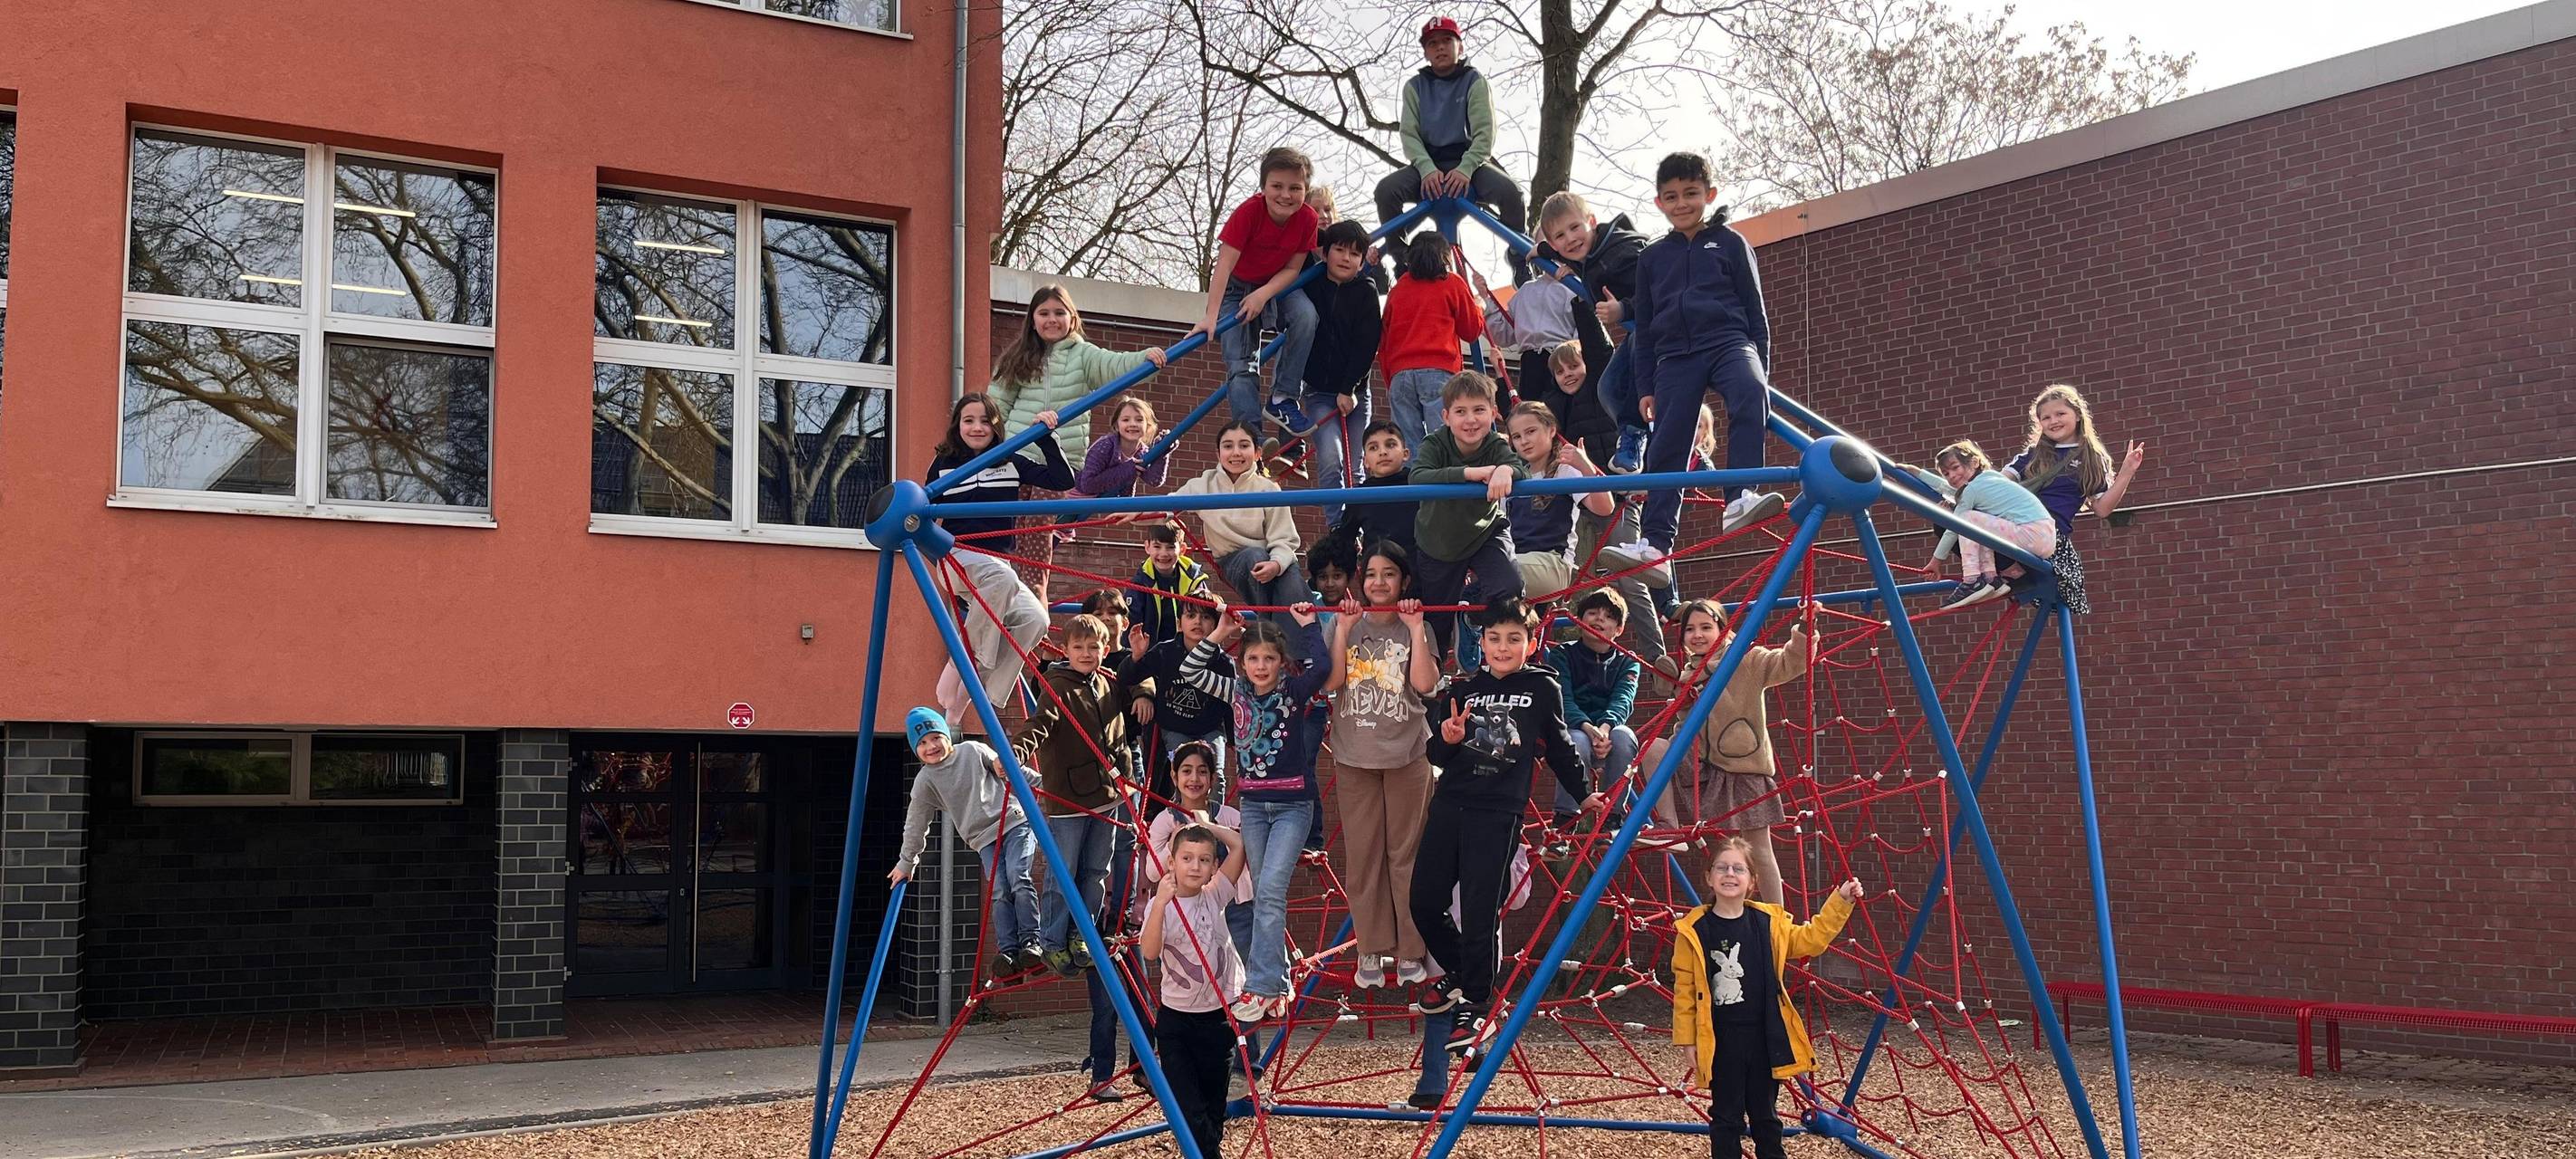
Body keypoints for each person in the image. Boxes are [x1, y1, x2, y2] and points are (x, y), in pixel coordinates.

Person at [1412, 599, 1602, 1056]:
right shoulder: (1463, 688)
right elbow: (1437, 756)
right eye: (1494, 638)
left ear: (1531, 644)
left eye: (1514, 639)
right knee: (1423, 901)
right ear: (1481, 642)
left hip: (1497, 813)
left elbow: (1558, 745)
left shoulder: (1541, 687)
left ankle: (1478, 1003)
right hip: (1451, 804)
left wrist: (1583, 794)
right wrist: (1449, 739)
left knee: (1480, 911)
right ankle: (1464, 975)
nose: (1502, 647)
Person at [1612, 153, 1781, 586]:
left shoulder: (1728, 242)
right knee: (1666, 440)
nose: (1682, 203)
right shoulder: (1653, 258)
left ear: (1709, 195)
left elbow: (1754, 307)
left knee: (1749, 392)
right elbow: (1645, 328)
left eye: (1691, 194)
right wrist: (1646, 385)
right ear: (1659, 202)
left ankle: (1741, 495)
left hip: (1728, 341)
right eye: (1672, 197)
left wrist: (1760, 363)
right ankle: (1655, 542)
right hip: (1674, 357)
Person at [1179, 604, 1331, 1021]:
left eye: (1269, 658)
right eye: (1252, 658)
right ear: (1241, 662)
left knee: (1269, 891)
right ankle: (1275, 981)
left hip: (1291, 807)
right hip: (1254, 807)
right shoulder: (1236, 691)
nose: (1261, 666)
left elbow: (1323, 667)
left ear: (1281, 662)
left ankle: (1262, 985)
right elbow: (1191, 672)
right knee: (1264, 891)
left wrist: (1309, 626)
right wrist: (1220, 632)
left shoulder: (1292, 692)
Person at [1672, 838, 1861, 1159]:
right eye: (1722, 867)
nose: (1729, 874)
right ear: (1708, 877)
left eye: (1738, 868)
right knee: (1726, 1117)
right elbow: (1685, 990)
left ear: (1752, 881)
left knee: (1765, 1116)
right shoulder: (1694, 930)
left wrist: (1840, 901)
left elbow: (1811, 940)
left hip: (1763, 1037)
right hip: (1721, 1040)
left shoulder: (1769, 923)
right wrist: (1687, 1039)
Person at [1325, 541, 1441, 989]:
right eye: (1371, 573)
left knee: (1405, 855)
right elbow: (1332, 683)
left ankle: (1411, 949)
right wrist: (1340, 629)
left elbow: (1425, 687)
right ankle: (1371, 947)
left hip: (1407, 755)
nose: (1378, 582)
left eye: (1388, 573)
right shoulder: (1346, 624)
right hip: (1354, 756)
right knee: (1363, 855)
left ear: (1403, 580)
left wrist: (1415, 629)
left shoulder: (1417, 626)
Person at [1641, 599, 1809, 902]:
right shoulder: (1688, 675)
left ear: (1723, 629)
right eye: (1690, 629)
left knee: (1758, 847)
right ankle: (1670, 827)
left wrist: (1805, 629)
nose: (1697, 635)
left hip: (1744, 766)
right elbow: (1687, 726)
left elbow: (1790, 662)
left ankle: (1776, 918)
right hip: (1706, 767)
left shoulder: (1744, 659)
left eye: (1706, 627)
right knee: (1654, 749)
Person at [927, 393, 1073, 730]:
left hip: (997, 564)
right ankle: (968, 661)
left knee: (1036, 619)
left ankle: (984, 692)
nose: (977, 427)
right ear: (957, 426)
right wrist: (935, 551)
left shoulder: (1010, 461)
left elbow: (1063, 481)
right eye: (968, 420)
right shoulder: (944, 464)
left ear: (996, 427)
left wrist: (1048, 438)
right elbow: (923, 508)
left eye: (985, 421)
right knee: (1003, 581)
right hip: (959, 558)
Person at [1014, 615, 1132, 975]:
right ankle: (1052, 940)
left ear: (1105, 649)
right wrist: (1015, 753)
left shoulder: (1106, 684)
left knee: (1097, 869)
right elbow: (1039, 725)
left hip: (1108, 794)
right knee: (1063, 870)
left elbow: (1119, 732)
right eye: (1078, 647)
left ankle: (1082, 933)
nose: (1086, 653)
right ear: (1064, 651)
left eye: (1093, 647)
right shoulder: (1057, 685)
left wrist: (1127, 773)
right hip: (1070, 796)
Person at [1373, 15, 1528, 283]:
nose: (1440, 48)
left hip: (1469, 163)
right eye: (1433, 43)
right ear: (1425, 52)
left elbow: (1484, 134)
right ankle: (1402, 260)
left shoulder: (1473, 80)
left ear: (1460, 46)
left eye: (1447, 40)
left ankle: (1520, 254)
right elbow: (1409, 135)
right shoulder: (1415, 86)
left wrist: (1466, 169)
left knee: (1511, 193)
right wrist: (1426, 168)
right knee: (1386, 190)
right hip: (1427, 164)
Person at [890, 707, 1039, 973]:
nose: (931, 746)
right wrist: (906, 861)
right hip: (983, 838)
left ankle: (1031, 941)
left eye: (935, 737)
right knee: (999, 889)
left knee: (1018, 875)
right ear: (915, 750)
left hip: (1013, 822)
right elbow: (916, 823)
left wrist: (1040, 782)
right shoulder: (925, 781)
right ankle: (1008, 952)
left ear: (947, 735)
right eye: (922, 743)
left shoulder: (972, 750)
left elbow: (1009, 769)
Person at [1190, 147, 1321, 435]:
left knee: (1307, 316)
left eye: (1295, 188)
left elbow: (1293, 269)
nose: (1285, 195)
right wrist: (1211, 316)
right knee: (1240, 362)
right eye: (1277, 186)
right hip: (1236, 288)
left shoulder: (1308, 219)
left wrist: (1263, 294)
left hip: (1277, 285)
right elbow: (1223, 266)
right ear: (1263, 187)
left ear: (1305, 190)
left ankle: (1282, 398)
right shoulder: (1249, 212)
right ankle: (1252, 434)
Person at [1139, 821, 1251, 1158]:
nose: (1196, 866)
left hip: (1218, 1019)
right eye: (1186, 858)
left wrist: (1204, 825)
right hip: (1177, 1022)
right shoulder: (1162, 906)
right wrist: (1159, 902)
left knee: (1213, 1106)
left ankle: (1205, 1151)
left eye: (1204, 859)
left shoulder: (1215, 892)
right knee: (1188, 1107)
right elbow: (1149, 951)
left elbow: (1241, 846)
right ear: (1171, 863)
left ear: (1214, 866)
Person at [1408, 370, 1529, 666]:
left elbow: (1519, 468)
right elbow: (1417, 477)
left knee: (1510, 586)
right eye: (1461, 412)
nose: (1471, 420)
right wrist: (1469, 474)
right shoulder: (1435, 443)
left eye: (1479, 410)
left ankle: (1475, 620)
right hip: (1440, 542)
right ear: (1446, 417)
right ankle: (1433, 687)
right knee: (1437, 620)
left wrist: (1504, 470)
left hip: (1484, 532)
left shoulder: (1495, 445)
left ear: (1493, 413)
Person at [2003, 384, 2147, 616]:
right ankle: (2006, 572)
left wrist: (2127, 471)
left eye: (2060, 414)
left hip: (2049, 532)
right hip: (2016, 525)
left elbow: (2101, 509)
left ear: (2078, 415)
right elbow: (1997, 484)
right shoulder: (2033, 454)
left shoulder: (2090, 457)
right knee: (1957, 524)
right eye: (2046, 417)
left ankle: (2015, 573)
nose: (2053, 421)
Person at [1532, 192, 1650, 471]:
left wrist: (1623, 309)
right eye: (1560, 236)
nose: (1570, 239)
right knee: (1607, 389)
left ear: (1592, 222)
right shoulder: (1587, 252)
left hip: (1657, 327)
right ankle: (1632, 437)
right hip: (1638, 332)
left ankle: (1636, 439)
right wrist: (1541, 253)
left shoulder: (1622, 254)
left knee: (1641, 388)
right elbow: (1564, 251)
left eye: (1575, 228)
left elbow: (1657, 292)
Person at [1169, 421, 1308, 639]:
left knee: (1289, 573)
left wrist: (1277, 563)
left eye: (1244, 446)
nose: (1236, 453)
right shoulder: (1203, 485)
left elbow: (1284, 539)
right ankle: (1275, 641)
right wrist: (1129, 511)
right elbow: (1165, 507)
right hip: (1233, 561)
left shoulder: (1268, 489)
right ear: (1218, 453)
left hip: (1268, 560)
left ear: (1257, 453)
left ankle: (1310, 653)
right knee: (1256, 557)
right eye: (1228, 446)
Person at [1285, 220, 1386, 522]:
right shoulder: (1312, 284)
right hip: (1318, 391)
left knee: (1358, 464)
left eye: (1354, 254)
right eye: (1339, 250)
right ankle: (1336, 526)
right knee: (1330, 459)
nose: (1345, 258)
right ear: (1325, 253)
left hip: (1354, 392)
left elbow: (1366, 344)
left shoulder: (1366, 291)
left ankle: (1360, 526)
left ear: (1362, 259)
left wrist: (1350, 388)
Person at [1548, 589, 1639, 854]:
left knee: (1625, 736)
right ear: (1579, 619)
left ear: (1619, 629)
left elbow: (1624, 699)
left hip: (1609, 734)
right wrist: (1588, 728)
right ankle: (1565, 822)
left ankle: (1612, 819)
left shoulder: (1627, 662)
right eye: (1592, 612)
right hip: (1574, 730)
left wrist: (1605, 728)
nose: (1599, 619)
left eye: (1608, 616)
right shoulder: (1562, 655)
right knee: (1574, 740)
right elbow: (1562, 698)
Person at [1918, 439, 2058, 611]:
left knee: (1967, 519)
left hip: (2030, 533)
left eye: (1955, 468)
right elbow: (1949, 489)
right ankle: (1992, 578)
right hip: (2045, 536)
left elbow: (1955, 527)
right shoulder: (1991, 479)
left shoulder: (1973, 489)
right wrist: (1918, 473)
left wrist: (1936, 561)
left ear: (1975, 462)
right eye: (1946, 473)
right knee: (1980, 522)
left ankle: (1972, 580)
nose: (1952, 476)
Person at [1379, 231, 1485, 449]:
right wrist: (1479, 306)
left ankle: (1414, 481)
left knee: (1407, 446)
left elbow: (1385, 339)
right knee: (1443, 443)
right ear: (1445, 257)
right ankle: (1443, 480)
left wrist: (1391, 379)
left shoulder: (1399, 289)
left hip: (1401, 374)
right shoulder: (1452, 283)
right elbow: (1471, 330)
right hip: (1438, 369)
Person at [1502, 400, 1617, 601]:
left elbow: (1605, 507)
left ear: (1551, 430)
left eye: (1531, 431)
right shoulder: (1516, 477)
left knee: (1497, 572)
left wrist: (1586, 468)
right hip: (1517, 561)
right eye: (1517, 436)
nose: (1524, 441)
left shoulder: (1564, 470)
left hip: (1552, 563)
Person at [1125, 599, 1232, 800]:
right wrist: (1136, 656)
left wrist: (1234, 741)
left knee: (1214, 774)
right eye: (1191, 616)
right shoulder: (1165, 652)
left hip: (1210, 728)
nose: (1198, 622)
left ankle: (1214, 823)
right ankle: (1181, 819)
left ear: (1217, 625)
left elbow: (1229, 705)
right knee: (1183, 772)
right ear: (1178, 623)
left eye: (1206, 617)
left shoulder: (1223, 662)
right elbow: (1129, 677)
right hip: (1175, 727)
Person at [1330, 420, 1421, 557]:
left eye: (1390, 445)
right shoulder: (1360, 495)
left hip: (1420, 570)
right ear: (1365, 461)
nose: (1383, 452)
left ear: (1406, 453)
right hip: (1377, 572)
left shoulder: (1419, 484)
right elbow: (1344, 539)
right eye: (1373, 448)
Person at [1130, 522, 1207, 650]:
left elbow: (1208, 617)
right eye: (1157, 546)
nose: (1164, 553)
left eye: (1170, 547)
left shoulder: (1194, 579)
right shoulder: (1140, 583)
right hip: (1151, 654)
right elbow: (1132, 624)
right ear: (1147, 547)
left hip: (1189, 653)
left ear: (1182, 549)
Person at [1075, 397, 1168, 501]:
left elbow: (1153, 480)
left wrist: (1162, 452)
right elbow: (1087, 484)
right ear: (1116, 425)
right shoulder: (1105, 446)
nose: (1132, 424)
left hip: (1103, 504)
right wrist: (1127, 469)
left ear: (1147, 426)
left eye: (1139, 420)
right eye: (1126, 420)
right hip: (1075, 500)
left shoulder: (1142, 452)